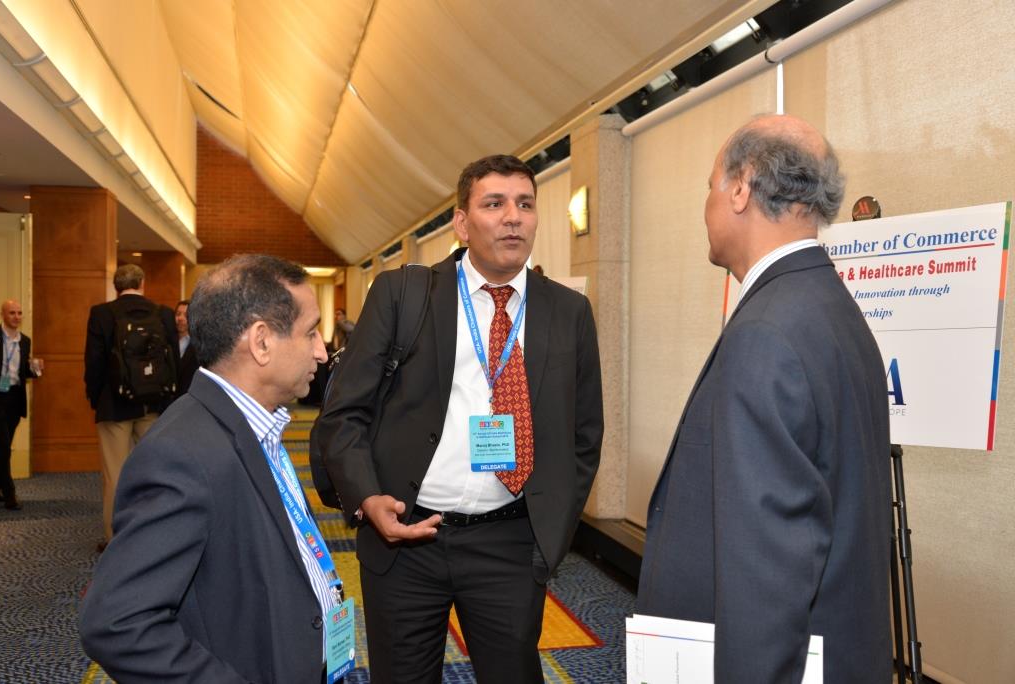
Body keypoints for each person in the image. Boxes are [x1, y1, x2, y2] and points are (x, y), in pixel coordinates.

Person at [315, 154, 603, 683]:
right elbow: (345, 413)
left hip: (510, 543)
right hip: (406, 535)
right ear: (462, 223)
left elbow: (584, 434)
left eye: (525, 204)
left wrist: (552, 531)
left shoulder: (568, 311)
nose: (513, 217)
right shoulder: (404, 294)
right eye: (494, 204)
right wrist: (367, 499)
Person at [636, 114, 892, 683]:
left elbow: (765, 573)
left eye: (710, 186)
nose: (705, 205)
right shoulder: (830, 307)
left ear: (740, 187)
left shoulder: (765, 334)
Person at [80, 254, 337, 682]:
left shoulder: (253, 424)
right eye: (310, 332)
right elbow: (117, 623)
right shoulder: (181, 454)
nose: (321, 351)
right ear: (261, 342)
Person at [84, 264, 178, 546]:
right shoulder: (163, 313)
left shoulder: (102, 313)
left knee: (115, 474)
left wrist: (96, 399)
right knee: (153, 471)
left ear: (116, 286)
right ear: (142, 283)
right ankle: (152, 534)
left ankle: (116, 540)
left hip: (114, 406)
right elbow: (172, 360)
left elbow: (94, 362)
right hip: (153, 404)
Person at [0, 299, 42, 510]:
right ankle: (9, 492)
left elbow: (24, 372)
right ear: (2, 314)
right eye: (12, 313)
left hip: (13, 397)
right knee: (3, 446)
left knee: (2, 447)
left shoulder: (25, 341)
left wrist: (35, 369)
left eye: (19, 313)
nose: (17, 317)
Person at [174, 299, 200, 397]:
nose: (180, 318)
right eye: (178, 314)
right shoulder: (167, 341)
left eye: (185, 315)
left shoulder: (198, 344)